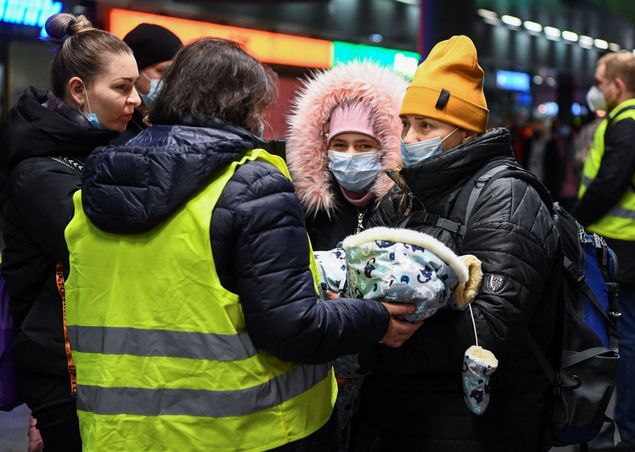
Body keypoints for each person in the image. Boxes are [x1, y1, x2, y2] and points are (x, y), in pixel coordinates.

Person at [62, 37, 421, 451]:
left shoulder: (94, 187)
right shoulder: (251, 186)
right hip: (240, 433)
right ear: (242, 106)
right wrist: (376, 319)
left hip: (117, 434)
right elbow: (292, 327)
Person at [351, 35, 561, 451]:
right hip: (400, 416)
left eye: (426, 126)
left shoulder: (507, 198)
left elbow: (485, 330)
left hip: (477, 427)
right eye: (407, 124)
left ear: (465, 131)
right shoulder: (403, 194)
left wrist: (374, 340)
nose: (409, 137)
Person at [0, 13, 140, 451]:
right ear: (79, 90)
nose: (136, 99)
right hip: (62, 371)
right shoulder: (38, 173)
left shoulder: (108, 147)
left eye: (138, 86)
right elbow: (103, 243)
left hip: (104, 357)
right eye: (121, 88)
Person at [575, 52, 635, 451]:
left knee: (630, 340)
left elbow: (609, 183)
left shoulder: (629, 122)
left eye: (600, 81)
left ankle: (631, 432)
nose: (596, 89)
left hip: (622, 243)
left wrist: (575, 220)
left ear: (617, 85)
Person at [286, 61, 406, 250]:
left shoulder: (406, 210)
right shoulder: (304, 210)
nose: (350, 155)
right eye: (340, 145)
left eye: (364, 145)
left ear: (387, 150)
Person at [115, 23, 183, 143]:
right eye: (163, 71)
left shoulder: (182, 124)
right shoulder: (114, 129)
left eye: (177, 71)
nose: (172, 79)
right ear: (134, 74)